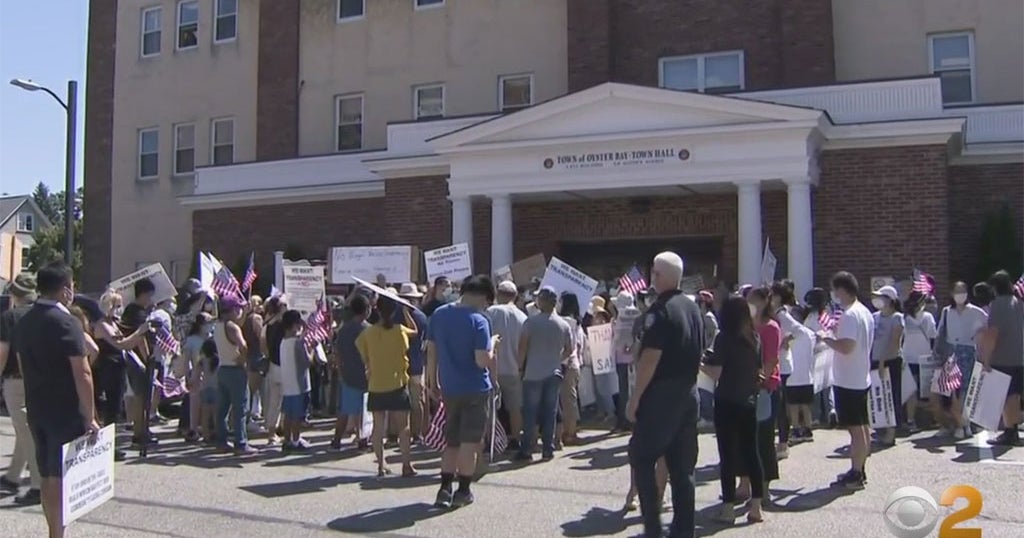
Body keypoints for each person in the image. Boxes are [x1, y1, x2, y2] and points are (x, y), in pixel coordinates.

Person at [14, 262, 99, 538]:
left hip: (38, 408)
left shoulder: (24, 321)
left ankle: (54, 531)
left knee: (47, 475)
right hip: (66, 410)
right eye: (72, 287)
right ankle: (57, 533)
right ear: (65, 291)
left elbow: (23, 365)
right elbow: (83, 372)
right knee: (64, 477)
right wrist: (90, 416)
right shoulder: (67, 322)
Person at [626, 252, 705, 538]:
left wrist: (635, 400)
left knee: (641, 455)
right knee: (683, 469)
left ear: (660, 276)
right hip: (688, 391)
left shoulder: (660, 311)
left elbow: (650, 359)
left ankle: (653, 528)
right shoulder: (693, 308)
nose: (651, 279)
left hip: (662, 394)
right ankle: (683, 530)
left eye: (654, 274)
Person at [425, 275, 498, 509]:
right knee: (469, 443)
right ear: (484, 296)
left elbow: (432, 352)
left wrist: (432, 382)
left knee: (452, 441)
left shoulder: (439, 315)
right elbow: (481, 360)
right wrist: (493, 345)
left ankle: (444, 489)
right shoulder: (480, 320)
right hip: (476, 388)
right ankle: (463, 490)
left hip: (449, 387)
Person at [703, 295, 765, 524]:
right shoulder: (754, 337)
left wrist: (700, 365)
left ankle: (728, 508)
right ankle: (756, 506)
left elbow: (716, 373)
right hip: (748, 399)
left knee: (727, 454)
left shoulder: (723, 338)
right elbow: (757, 369)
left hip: (727, 399)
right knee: (751, 451)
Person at [820, 271, 874, 490]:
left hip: (849, 379)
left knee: (855, 429)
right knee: (862, 427)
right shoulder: (864, 312)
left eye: (835, 290)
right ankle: (858, 468)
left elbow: (847, 346)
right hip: (860, 377)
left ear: (842, 290)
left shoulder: (850, 315)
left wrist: (827, 339)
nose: (834, 294)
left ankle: (857, 473)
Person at [356, 297, 418, 477]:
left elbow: (363, 356)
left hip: (376, 384)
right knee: (403, 428)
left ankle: (381, 466)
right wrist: (406, 311)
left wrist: (370, 363)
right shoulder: (400, 330)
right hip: (397, 384)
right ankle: (407, 465)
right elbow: (415, 331)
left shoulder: (368, 333)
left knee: (378, 427)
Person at [514, 286, 572, 462]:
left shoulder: (531, 323)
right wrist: (557, 358)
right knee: (550, 411)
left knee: (530, 412)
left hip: (533, 372)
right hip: (554, 372)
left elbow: (522, 347)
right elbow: (570, 349)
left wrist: (520, 368)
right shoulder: (564, 324)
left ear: (542, 301)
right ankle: (548, 448)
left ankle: (527, 449)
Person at [0, 273, 40, 505]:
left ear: (15, 295)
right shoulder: (42, 314)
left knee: (26, 432)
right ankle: (14, 475)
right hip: (41, 379)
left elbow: (3, 352)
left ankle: (37, 485)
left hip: (16, 379)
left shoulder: (10, 317)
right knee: (24, 429)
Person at [980, 270, 1024, 446]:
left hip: (1003, 357)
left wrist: (986, 360)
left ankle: (1010, 431)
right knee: (1014, 395)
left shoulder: (997, 305)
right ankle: (1012, 430)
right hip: (1020, 355)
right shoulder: (1018, 303)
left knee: (1007, 397)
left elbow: (993, 334)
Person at [486, 280, 529, 450]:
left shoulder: (489, 312)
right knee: (515, 407)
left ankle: (490, 440)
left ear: (498, 294)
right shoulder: (523, 317)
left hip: (491, 368)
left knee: (490, 408)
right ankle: (515, 438)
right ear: (515, 296)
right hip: (514, 368)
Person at [214, 297, 257, 454]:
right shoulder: (232, 327)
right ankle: (241, 443)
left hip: (222, 368)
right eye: (238, 308)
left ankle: (221, 441)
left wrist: (245, 312)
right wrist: (242, 359)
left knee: (223, 408)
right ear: (232, 309)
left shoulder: (218, 325)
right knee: (240, 408)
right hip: (235, 370)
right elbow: (243, 345)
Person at [332, 294, 371, 451]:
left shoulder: (343, 329)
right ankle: (363, 440)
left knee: (345, 410)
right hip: (365, 374)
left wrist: (340, 370)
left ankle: (336, 440)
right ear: (366, 310)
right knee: (364, 411)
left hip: (347, 373)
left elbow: (337, 352)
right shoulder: (368, 330)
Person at [869, 285, 904, 446]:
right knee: (878, 395)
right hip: (875, 360)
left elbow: (895, 342)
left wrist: (883, 361)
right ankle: (881, 428)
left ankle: (891, 432)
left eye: (882, 297)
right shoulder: (874, 317)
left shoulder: (897, 317)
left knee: (890, 395)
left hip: (891, 360)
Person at [397, 283, 430, 443]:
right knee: (417, 402)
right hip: (417, 365)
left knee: (398, 402)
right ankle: (417, 434)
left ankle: (395, 433)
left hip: (399, 365)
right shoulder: (421, 317)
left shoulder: (394, 317)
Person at [901, 291, 937, 432]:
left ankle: (911, 421)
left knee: (912, 391)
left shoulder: (905, 318)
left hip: (909, 357)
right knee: (928, 390)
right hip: (925, 357)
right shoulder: (927, 317)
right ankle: (933, 419)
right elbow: (933, 336)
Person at [279, 310, 313, 450]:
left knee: (288, 414)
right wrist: (311, 349)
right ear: (294, 325)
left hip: (287, 385)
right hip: (300, 385)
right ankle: (296, 439)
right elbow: (306, 362)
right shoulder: (298, 343)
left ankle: (287, 440)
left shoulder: (283, 342)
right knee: (298, 416)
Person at [261, 296, 288, 444]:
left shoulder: (267, 325)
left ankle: (272, 432)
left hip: (273, 365)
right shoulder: (285, 326)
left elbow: (263, 347)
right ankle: (283, 429)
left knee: (273, 401)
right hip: (284, 366)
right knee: (286, 400)